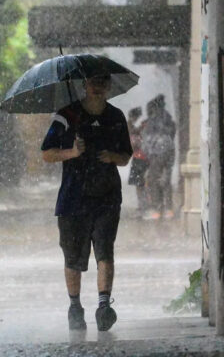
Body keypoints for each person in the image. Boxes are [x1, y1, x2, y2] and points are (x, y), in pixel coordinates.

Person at [41, 73, 133, 332]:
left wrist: (111, 156)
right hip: (73, 198)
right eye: (93, 82)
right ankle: (75, 306)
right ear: (84, 85)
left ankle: (104, 306)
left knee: (105, 249)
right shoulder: (66, 116)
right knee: (73, 257)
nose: (98, 87)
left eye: (102, 82)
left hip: (107, 196)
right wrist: (72, 152)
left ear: (109, 86)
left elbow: (126, 156)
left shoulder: (116, 117)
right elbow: (47, 153)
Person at [141, 95, 176, 219]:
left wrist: (147, 151)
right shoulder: (168, 119)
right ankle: (168, 208)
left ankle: (157, 208)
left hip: (157, 153)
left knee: (153, 180)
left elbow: (147, 138)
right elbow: (172, 134)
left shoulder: (154, 119)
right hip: (169, 151)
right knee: (166, 180)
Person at [126, 107, 150, 218]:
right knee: (141, 183)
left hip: (140, 157)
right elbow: (133, 140)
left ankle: (143, 205)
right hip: (140, 157)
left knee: (140, 183)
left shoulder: (133, 126)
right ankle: (143, 205)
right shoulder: (130, 126)